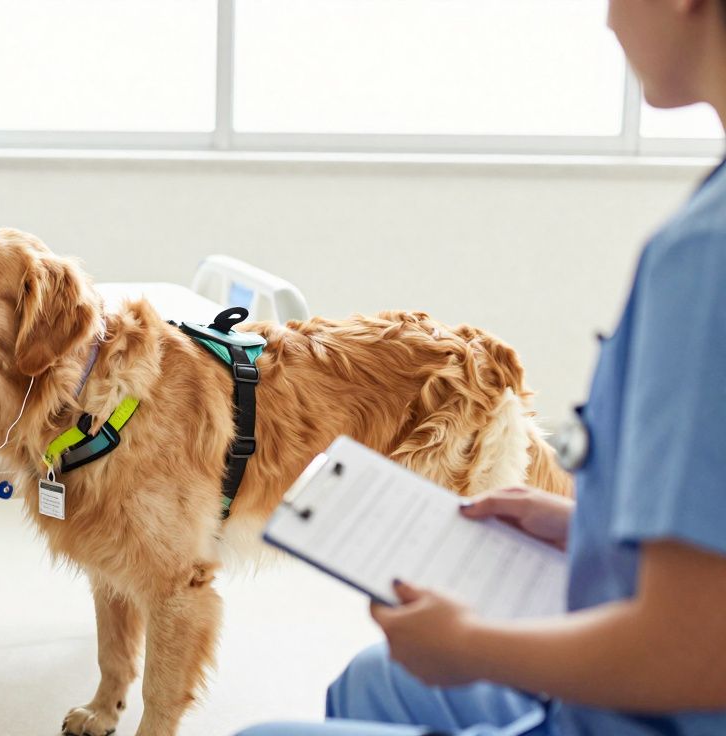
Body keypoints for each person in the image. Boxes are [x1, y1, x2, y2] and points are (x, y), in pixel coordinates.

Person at [239, 1, 726, 734]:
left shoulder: (705, 257)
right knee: (371, 680)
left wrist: (471, 648)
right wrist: (587, 528)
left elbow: (695, 651)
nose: (607, 22)